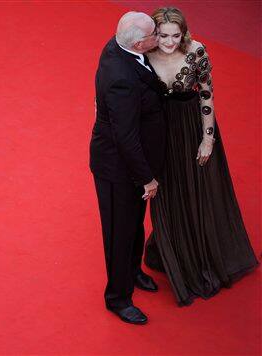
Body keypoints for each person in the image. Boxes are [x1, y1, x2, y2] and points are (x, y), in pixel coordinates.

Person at [144, 7, 259, 305]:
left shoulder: (196, 52)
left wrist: (208, 139)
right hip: (160, 133)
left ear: (184, 33)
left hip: (192, 129)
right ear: (154, 32)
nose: (168, 42)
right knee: (166, 191)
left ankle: (199, 253)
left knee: (198, 191)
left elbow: (206, 93)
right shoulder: (144, 53)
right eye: (163, 35)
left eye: (175, 35)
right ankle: (172, 248)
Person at [89, 11, 166, 324]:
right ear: (138, 42)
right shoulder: (121, 76)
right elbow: (125, 137)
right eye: (154, 35)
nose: (158, 39)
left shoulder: (118, 46)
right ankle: (118, 298)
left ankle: (133, 271)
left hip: (129, 164)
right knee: (119, 234)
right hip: (118, 170)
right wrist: (146, 178)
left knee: (134, 224)